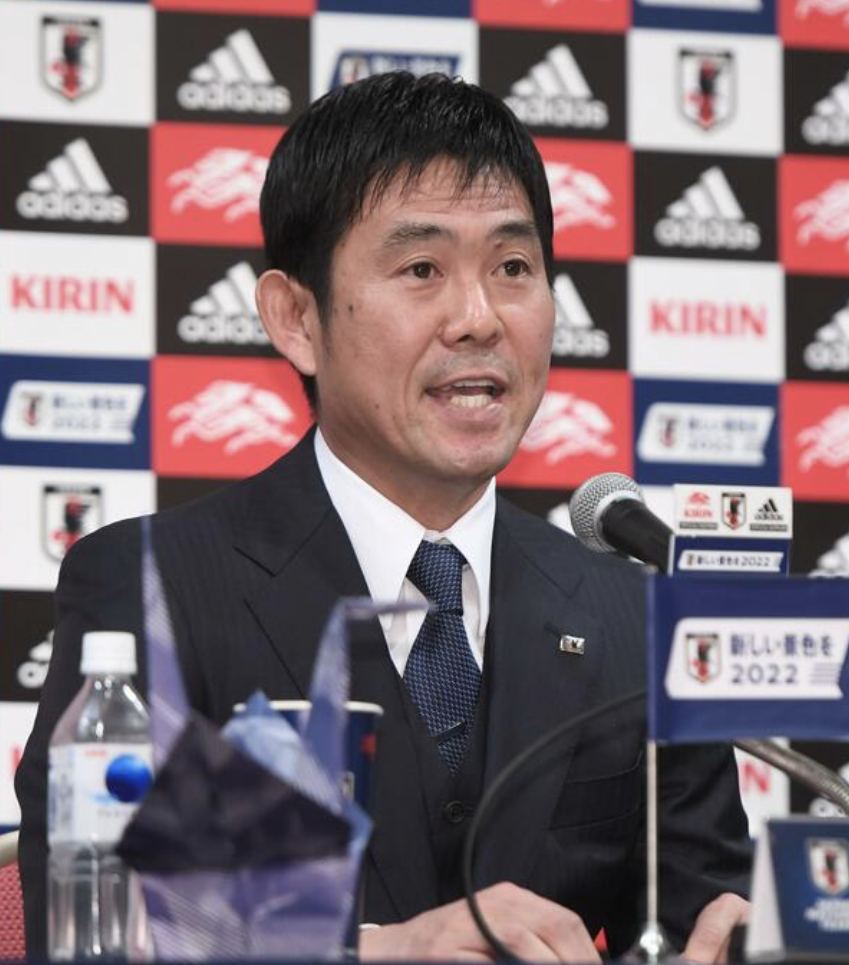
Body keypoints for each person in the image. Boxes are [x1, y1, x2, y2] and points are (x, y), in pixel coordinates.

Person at [16, 72, 751, 962]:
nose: (478, 319)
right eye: (421, 270)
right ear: (296, 318)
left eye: (513, 268)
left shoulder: (633, 621)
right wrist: (375, 950)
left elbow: (708, 916)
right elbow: (101, 921)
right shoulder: (154, 591)